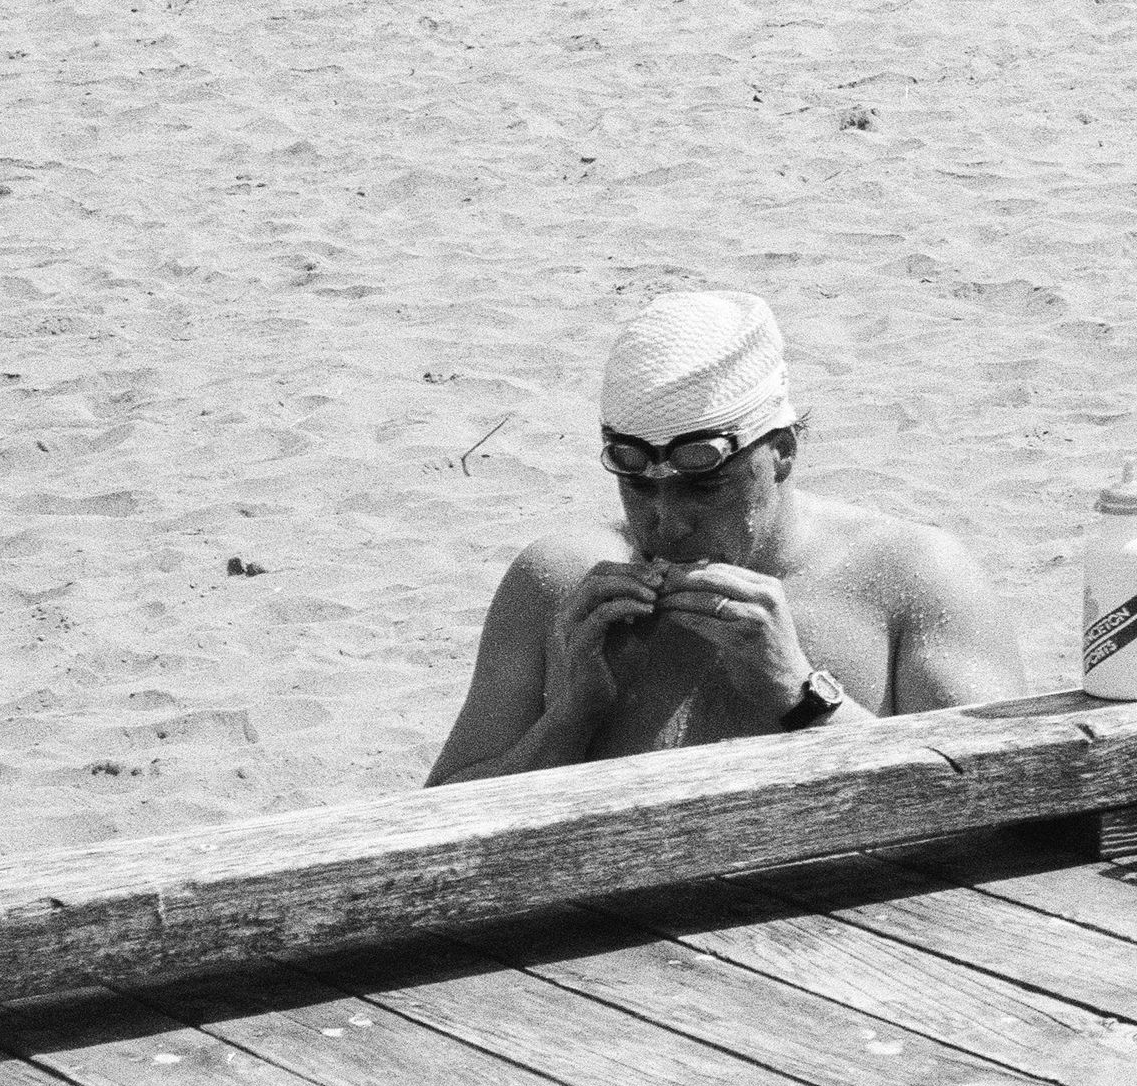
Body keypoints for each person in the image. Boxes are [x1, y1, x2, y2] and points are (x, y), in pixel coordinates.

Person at [426, 291, 1025, 785]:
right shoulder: (557, 583)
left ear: (783, 452)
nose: (666, 523)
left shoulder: (909, 575)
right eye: (637, 485)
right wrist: (571, 718)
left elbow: (1007, 798)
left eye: (705, 487)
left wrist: (801, 697)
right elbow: (432, 827)